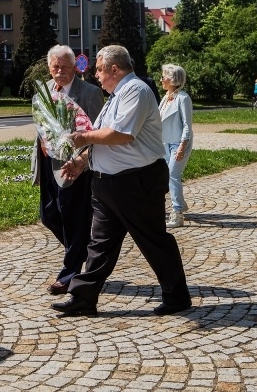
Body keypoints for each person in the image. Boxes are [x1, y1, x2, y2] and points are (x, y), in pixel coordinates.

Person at [51, 45, 191, 317]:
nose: (96, 76)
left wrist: (81, 138)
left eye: (99, 70)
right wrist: (82, 161)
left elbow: (121, 134)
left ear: (114, 69)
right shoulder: (116, 95)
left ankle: (177, 296)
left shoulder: (136, 90)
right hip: (107, 184)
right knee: (99, 244)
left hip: (136, 182)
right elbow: (103, 138)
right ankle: (83, 298)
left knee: (153, 239)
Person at [31, 45, 104, 296]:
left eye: (65, 66)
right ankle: (81, 250)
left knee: (74, 219)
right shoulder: (44, 91)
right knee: (49, 215)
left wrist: (82, 161)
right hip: (48, 163)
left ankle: (69, 274)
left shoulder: (90, 93)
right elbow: (41, 124)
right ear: (49, 67)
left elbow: (96, 133)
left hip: (75, 167)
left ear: (74, 67)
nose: (60, 71)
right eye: (55, 66)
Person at [159, 64, 193, 228]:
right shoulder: (165, 98)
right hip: (165, 143)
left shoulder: (183, 98)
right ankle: (180, 202)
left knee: (173, 175)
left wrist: (181, 146)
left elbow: (187, 126)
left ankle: (178, 213)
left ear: (172, 79)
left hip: (179, 143)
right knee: (167, 176)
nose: (161, 79)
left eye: (164, 76)